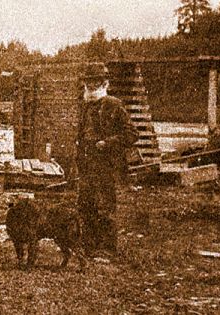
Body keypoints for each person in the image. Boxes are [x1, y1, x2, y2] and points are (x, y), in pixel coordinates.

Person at [75, 64, 138, 259]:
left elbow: (131, 135)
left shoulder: (114, 104)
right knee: (86, 206)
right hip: (86, 163)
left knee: (104, 206)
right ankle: (89, 248)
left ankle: (107, 250)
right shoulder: (85, 105)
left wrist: (107, 142)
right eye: (88, 81)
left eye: (95, 81)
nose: (91, 85)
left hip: (105, 164)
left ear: (104, 83)